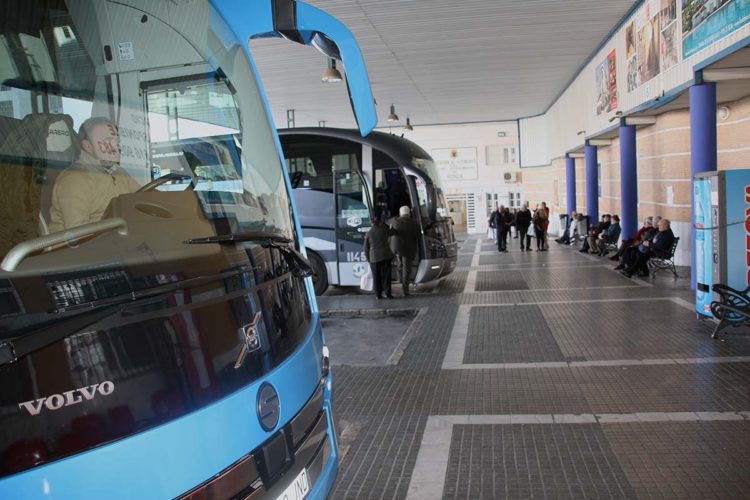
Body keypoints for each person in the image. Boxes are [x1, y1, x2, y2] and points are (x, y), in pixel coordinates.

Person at [48, 117, 141, 232]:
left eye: (116, 141)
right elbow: (78, 233)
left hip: (115, 239)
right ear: (87, 146)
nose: (116, 147)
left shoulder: (118, 172)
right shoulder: (74, 179)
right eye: (108, 141)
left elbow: (143, 198)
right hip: (80, 247)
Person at [388, 205, 420, 296]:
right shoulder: (413, 223)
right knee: (406, 269)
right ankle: (405, 290)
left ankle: (400, 281)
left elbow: (388, 224)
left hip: (396, 249)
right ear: (409, 213)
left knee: (400, 265)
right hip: (408, 249)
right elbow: (418, 235)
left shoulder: (394, 221)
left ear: (400, 213)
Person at [363, 217, 394, 299]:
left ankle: (378, 295)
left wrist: (368, 259)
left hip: (374, 258)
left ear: (372, 223)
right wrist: (387, 225)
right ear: (379, 223)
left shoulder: (369, 233)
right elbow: (393, 232)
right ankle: (388, 293)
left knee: (376, 277)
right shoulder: (383, 230)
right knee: (386, 276)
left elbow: (366, 248)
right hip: (386, 256)